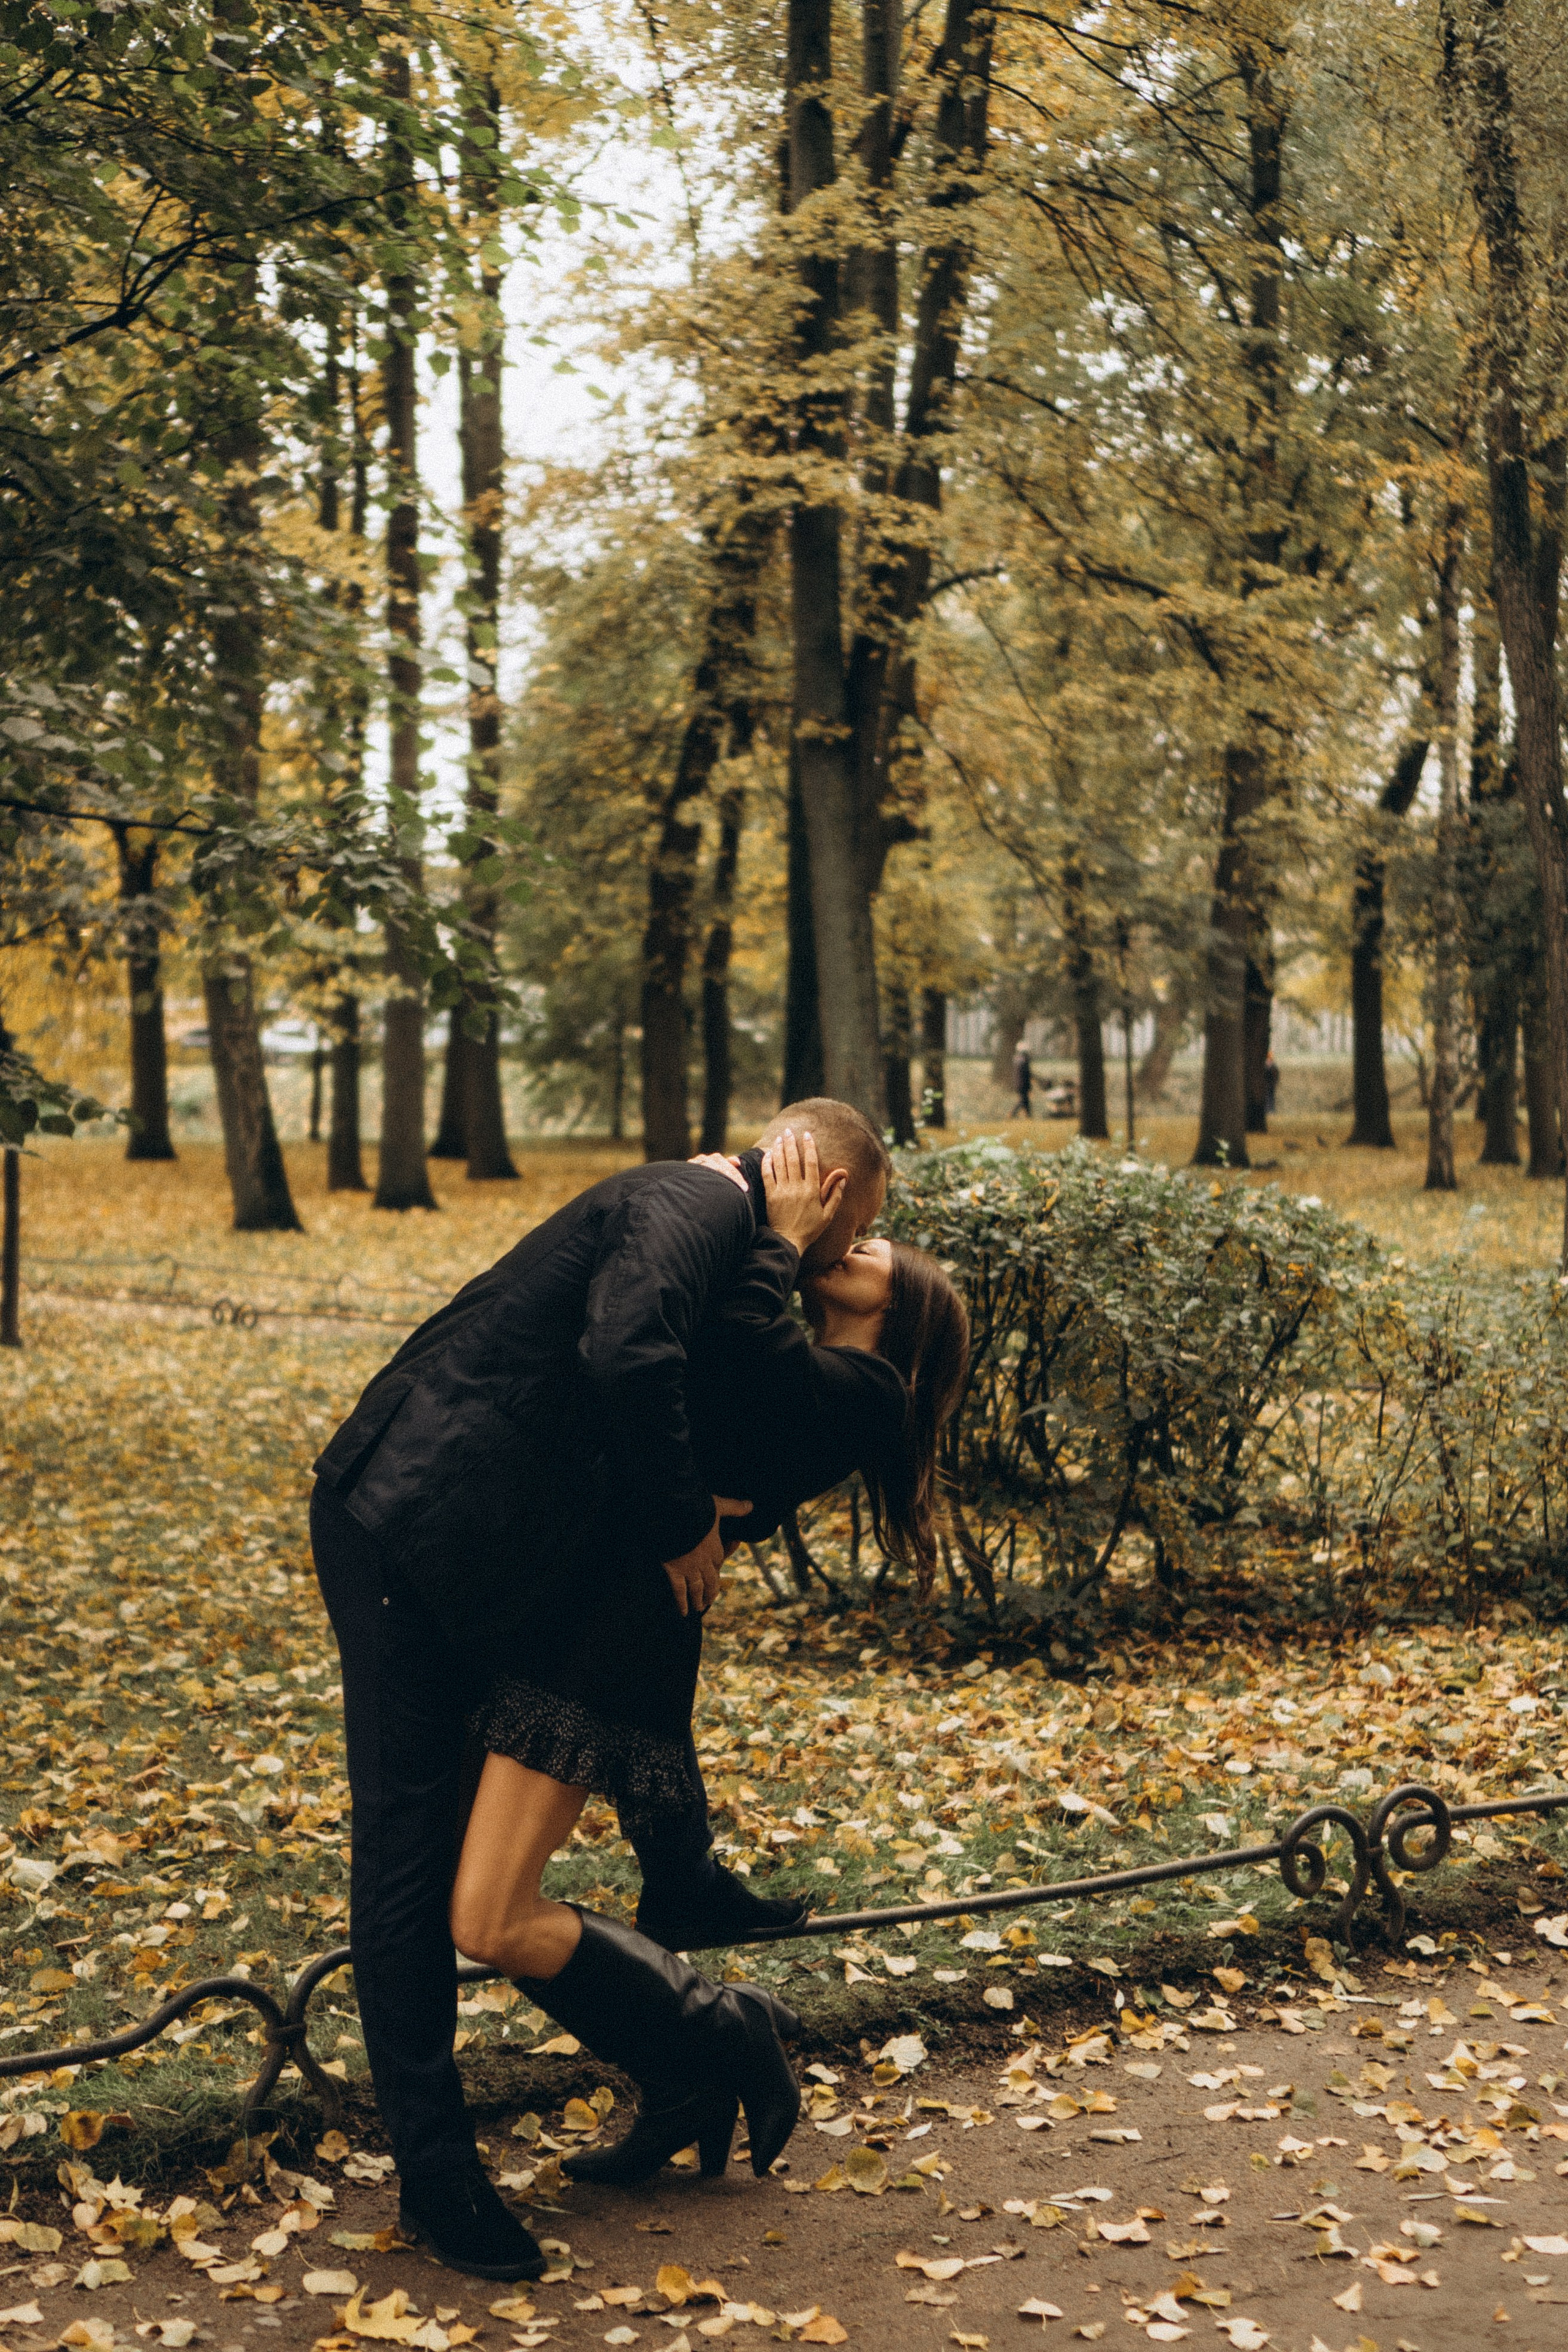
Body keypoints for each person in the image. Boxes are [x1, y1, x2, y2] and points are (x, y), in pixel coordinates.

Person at [309, 1099, 889, 2279]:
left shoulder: (739, 1252)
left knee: (467, 1887)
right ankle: (438, 2180)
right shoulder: (695, 1203)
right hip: (413, 1531)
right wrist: (685, 1525)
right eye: (861, 1224)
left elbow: (734, 1420)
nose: (852, 1251)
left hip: (490, 1568)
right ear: (828, 1187)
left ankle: (686, 2056)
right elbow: (626, 1351)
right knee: (410, 1867)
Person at [448, 1132, 968, 2198]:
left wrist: (771, 1241)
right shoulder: (820, 1365)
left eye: (877, 1245)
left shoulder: (869, 1387)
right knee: (484, 1905)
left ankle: (712, 2032)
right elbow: (708, 1385)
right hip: (596, 1606)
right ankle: (680, 2068)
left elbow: (732, 1352)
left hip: (614, 1637)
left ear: (901, 1305)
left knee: (490, 1916)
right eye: (856, 1228)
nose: (858, 1242)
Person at [1010, 1038, 1033, 1118]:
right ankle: (1012, 1114)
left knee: (1025, 1100)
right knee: (1023, 1100)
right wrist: (1030, 1086)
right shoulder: (1025, 1058)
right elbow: (1027, 1073)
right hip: (1023, 1083)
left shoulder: (1016, 1058)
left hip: (1017, 1083)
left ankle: (1029, 1116)